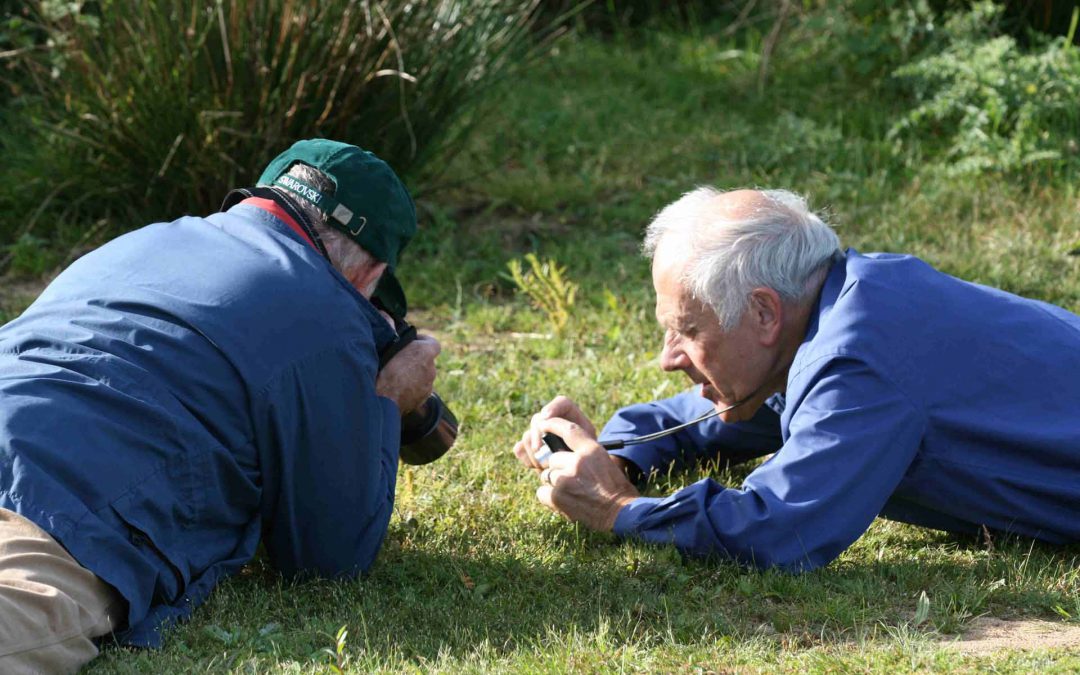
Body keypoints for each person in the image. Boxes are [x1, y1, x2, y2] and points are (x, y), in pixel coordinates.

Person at [0, 139, 441, 672]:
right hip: (64, 512)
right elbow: (329, 556)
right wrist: (388, 399)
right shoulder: (326, 311)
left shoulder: (143, 240)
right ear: (369, 275)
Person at [514, 187, 1080, 571]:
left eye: (685, 330)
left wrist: (617, 508)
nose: (670, 358)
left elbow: (776, 531)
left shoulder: (859, 363)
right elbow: (719, 415)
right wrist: (618, 451)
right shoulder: (841, 303)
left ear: (763, 312)